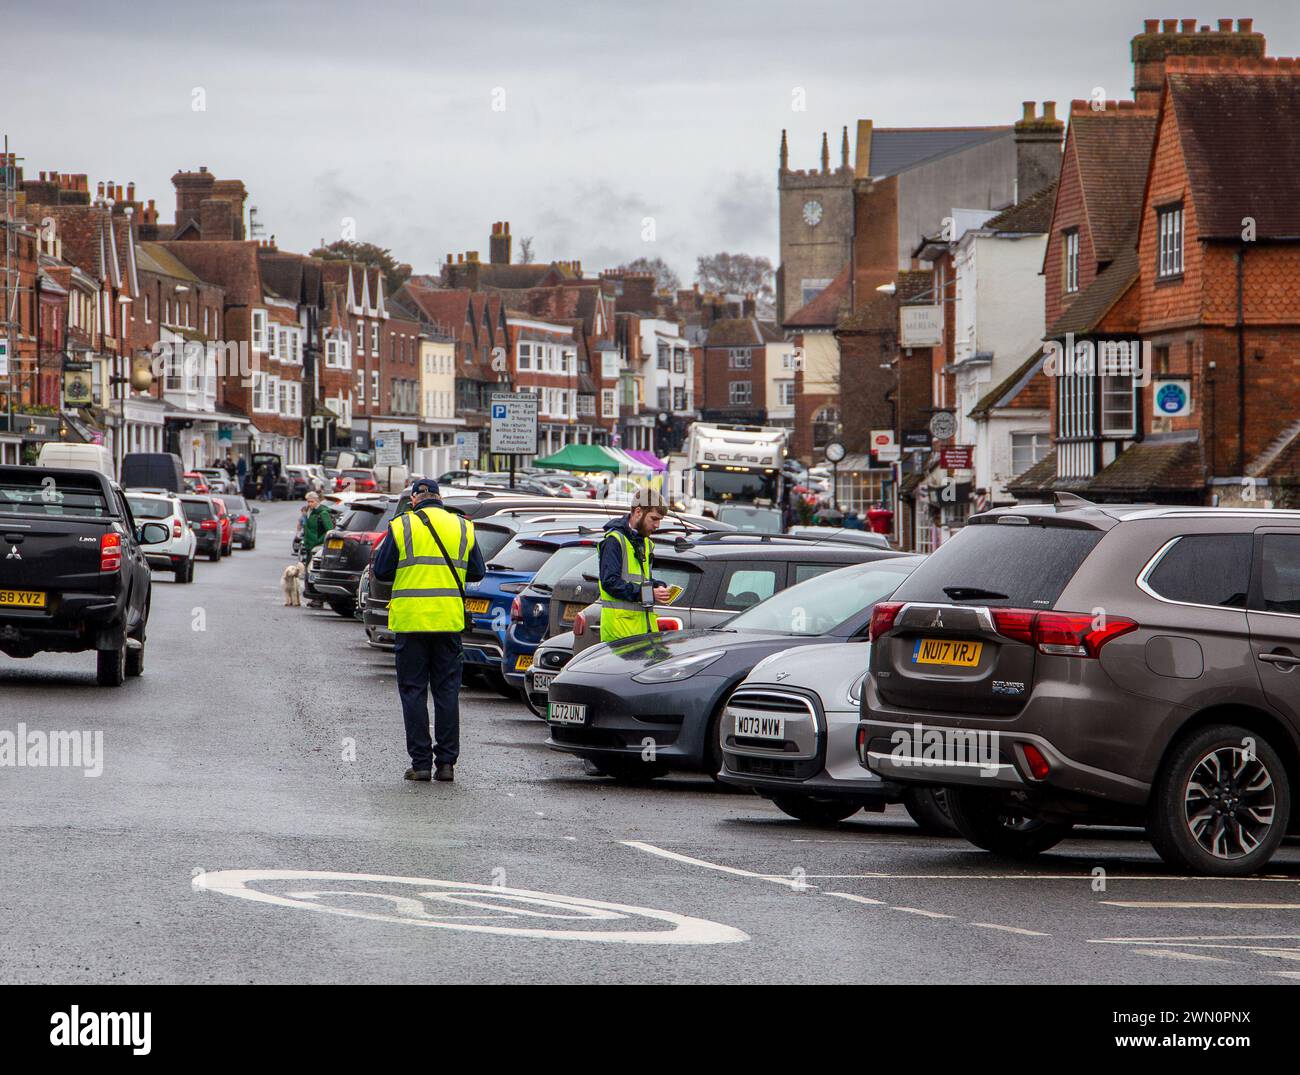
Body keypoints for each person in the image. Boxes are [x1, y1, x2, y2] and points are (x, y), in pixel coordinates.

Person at [372, 478, 485, 783]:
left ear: (414, 500)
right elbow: (477, 571)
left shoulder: (402, 526)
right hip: (448, 622)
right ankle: (447, 764)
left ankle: (421, 763)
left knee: (413, 692)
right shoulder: (462, 526)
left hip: (411, 622)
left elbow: (381, 571)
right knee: (447, 692)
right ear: (440, 498)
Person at [598, 486, 672, 643]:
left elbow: (641, 580)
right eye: (654, 519)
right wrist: (649, 593)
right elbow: (611, 583)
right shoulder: (614, 541)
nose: (657, 525)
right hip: (619, 634)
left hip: (643, 632)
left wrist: (658, 586)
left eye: (660, 520)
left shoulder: (646, 542)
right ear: (638, 512)